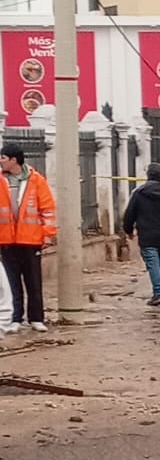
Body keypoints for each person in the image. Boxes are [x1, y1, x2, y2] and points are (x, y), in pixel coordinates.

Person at [0, 141, 57, 332]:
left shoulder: (36, 180)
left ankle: (36, 318)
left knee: (34, 281)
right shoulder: (1, 180)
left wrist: (47, 235)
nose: (1, 161)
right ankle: (16, 318)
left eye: (4, 158)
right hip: (7, 240)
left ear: (13, 160)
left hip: (31, 240)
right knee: (11, 282)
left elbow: (47, 209)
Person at [122, 162, 160, 307]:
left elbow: (129, 214)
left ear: (148, 175)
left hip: (146, 235)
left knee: (153, 264)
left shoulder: (138, 193)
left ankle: (158, 293)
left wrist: (128, 231)